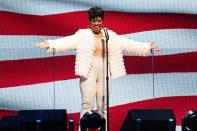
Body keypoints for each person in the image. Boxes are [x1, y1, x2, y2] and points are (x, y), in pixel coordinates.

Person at [36, 6, 160, 130]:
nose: (97, 23)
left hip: (105, 71)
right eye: (94, 20)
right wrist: (50, 44)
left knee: (103, 106)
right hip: (89, 71)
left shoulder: (109, 35)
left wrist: (147, 47)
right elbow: (67, 42)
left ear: (102, 21)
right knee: (87, 104)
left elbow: (128, 44)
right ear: (89, 22)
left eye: (99, 20)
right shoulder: (83, 35)